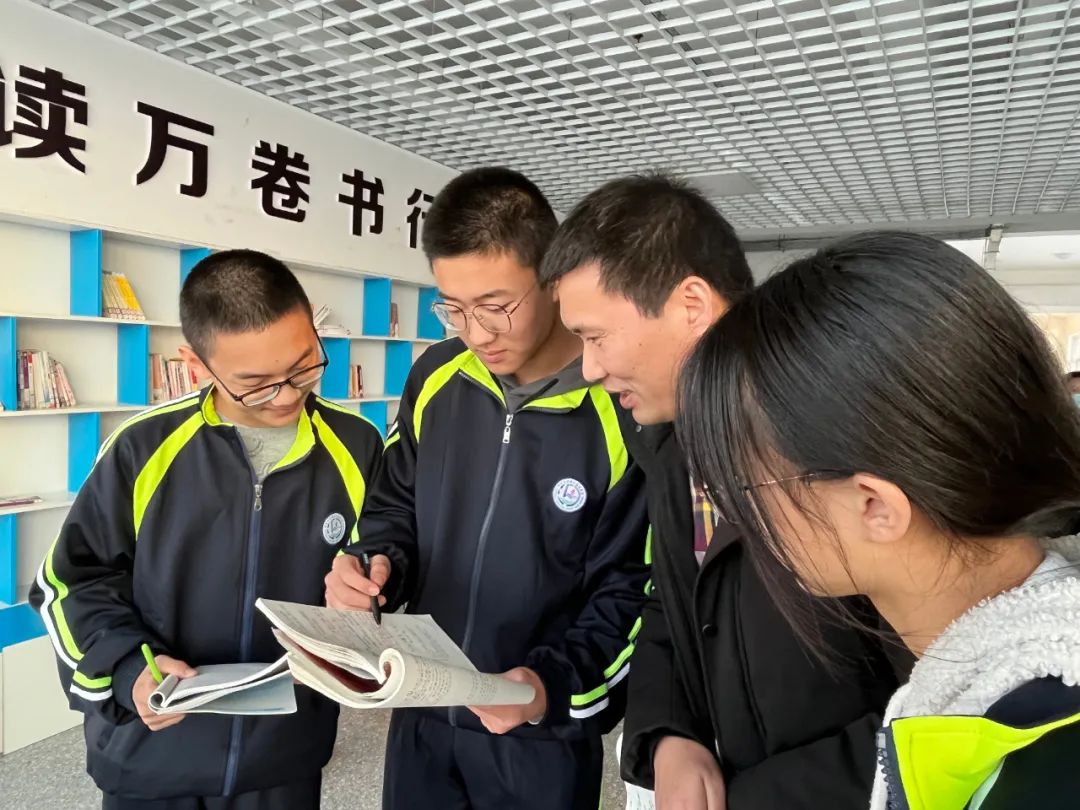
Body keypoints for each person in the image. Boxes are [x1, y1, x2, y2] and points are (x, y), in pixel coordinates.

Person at [678, 231, 1080, 809]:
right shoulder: (1001, 703)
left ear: (875, 506)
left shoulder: (1044, 770)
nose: (740, 517)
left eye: (744, 487)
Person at [540, 174, 900, 810]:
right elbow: (674, 604)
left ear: (691, 306)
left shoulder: (839, 438)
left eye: (596, 337)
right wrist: (668, 733)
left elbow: (943, 695)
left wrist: (758, 795)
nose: (589, 369)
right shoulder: (669, 444)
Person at [323, 167, 650, 810]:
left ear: (553, 278)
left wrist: (549, 688)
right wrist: (372, 565)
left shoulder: (623, 406)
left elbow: (632, 590)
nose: (475, 333)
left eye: (496, 306)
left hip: (539, 733)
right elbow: (393, 508)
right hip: (421, 712)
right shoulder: (436, 376)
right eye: (454, 307)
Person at [30, 250, 384, 810]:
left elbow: (379, 558)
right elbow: (70, 583)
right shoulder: (142, 448)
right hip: (153, 752)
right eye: (256, 384)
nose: (288, 395)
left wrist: (368, 589)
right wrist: (128, 670)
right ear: (195, 365)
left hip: (284, 755)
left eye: (304, 366)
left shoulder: (357, 444)